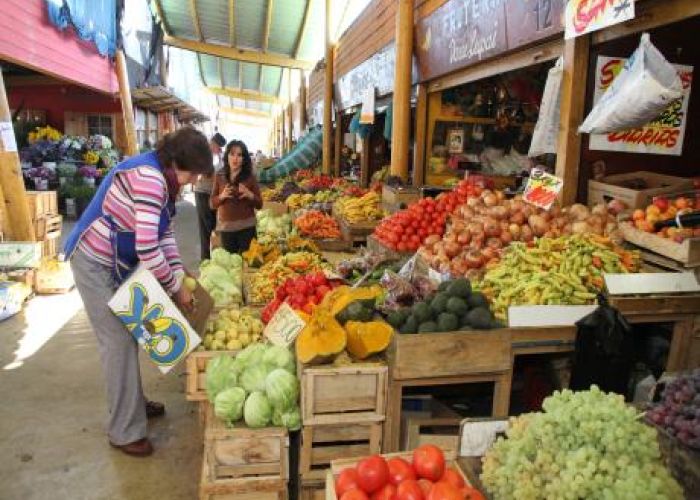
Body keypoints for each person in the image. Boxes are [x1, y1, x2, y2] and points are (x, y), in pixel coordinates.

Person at [63, 127, 213, 457]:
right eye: (192, 173)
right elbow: (147, 248)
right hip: (94, 261)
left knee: (132, 332)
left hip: (119, 261)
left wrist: (176, 270)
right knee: (116, 340)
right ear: (177, 162)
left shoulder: (165, 181)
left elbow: (165, 236)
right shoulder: (150, 179)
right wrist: (176, 289)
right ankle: (124, 432)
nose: (191, 181)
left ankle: (133, 403)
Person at [210, 139, 262, 253]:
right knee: (231, 267)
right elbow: (212, 204)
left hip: (247, 229)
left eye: (239, 155)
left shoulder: (250, 177)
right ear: (227, 156)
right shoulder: (219, 176)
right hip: (226, 230)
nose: (235, 158)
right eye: (232, 154)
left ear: (243, 159)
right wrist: (222, 196)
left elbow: (259, 204)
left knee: (249, 266)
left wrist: (250, 194)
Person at [195, 132, 226, 259]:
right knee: (206, 227)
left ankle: (213, 254)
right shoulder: (204, 155)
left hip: (213, 194)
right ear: (213, 143)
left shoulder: (218, 156)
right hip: (203, 193)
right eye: (217, 147)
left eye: (220, 149)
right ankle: (205, 258)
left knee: (213, 225)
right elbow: (208, 175)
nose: (218, 150)